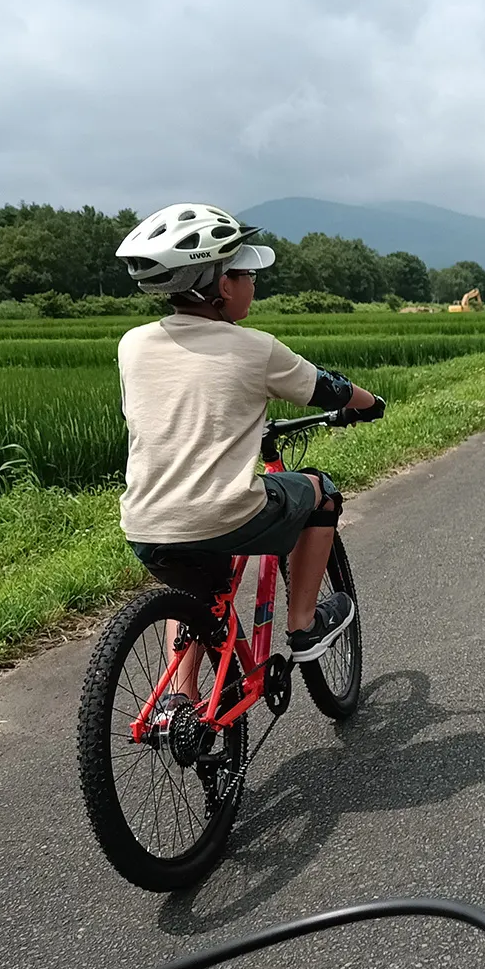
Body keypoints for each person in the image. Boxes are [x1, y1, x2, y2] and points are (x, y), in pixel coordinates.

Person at [114, 204, 384, 700]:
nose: (253, 282)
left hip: (145, 523)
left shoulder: (132, 344)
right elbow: (330, 389)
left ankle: (180, 699)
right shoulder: (256, 348)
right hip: (225, 515)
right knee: (319, 491)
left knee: (201, 595)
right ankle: (304, 625)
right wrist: (370, 404)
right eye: (244, 273)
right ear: (220, 286)